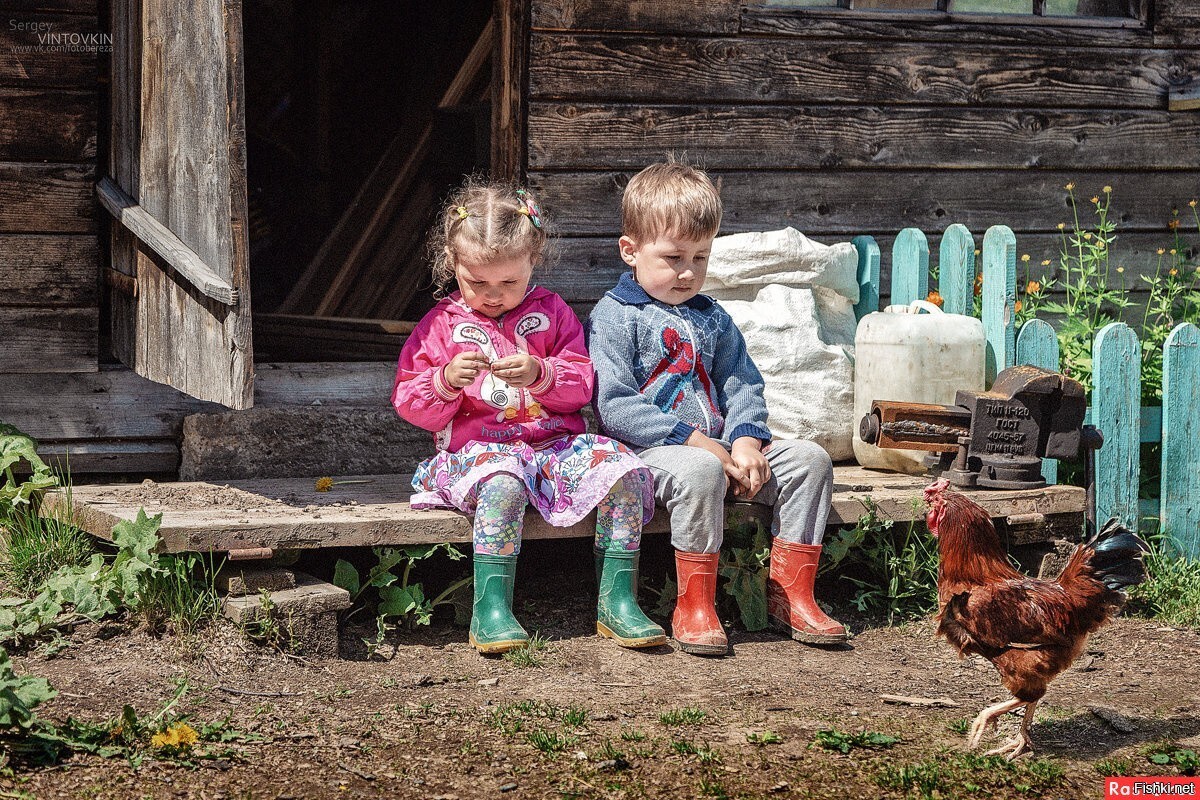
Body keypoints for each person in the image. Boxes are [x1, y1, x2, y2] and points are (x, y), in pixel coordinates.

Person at [393, 179, 664, 655]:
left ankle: (617, 600)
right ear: (452, 264)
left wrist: (542, 373)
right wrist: (445, 380)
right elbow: (410, 403)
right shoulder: (439, 326)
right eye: (477, 282)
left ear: (533, 262)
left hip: (555, 449)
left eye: (509, 283)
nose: (493, 296)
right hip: (478, 454)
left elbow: (583, 383)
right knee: (504, 482)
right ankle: (491, 609)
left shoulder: (554, 313)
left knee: (625, 473)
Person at [586, 161, 844, 656]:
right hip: (651, 455)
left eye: (700, 258)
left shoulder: (713, 318)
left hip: (723, 448)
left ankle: (791, 595)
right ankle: (695, 604)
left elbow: (741, 380)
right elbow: (614, 404)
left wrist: (747, 440)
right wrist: (702, 444)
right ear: (629, 251)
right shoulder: (614, 317)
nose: (687, 272)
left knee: (810, 460)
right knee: (702, 469)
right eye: (673, 257)